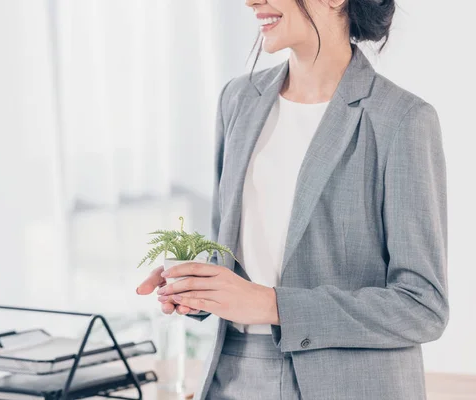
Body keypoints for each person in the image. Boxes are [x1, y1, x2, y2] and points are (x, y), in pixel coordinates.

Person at [137, 0, 449, 398]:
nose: (251, 1)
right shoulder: (238, 100)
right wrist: (196, 287)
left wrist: (273, 306)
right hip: (232, 376)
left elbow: (423, 307)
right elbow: (231, 256)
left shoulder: (401, 119)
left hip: (349, 385)